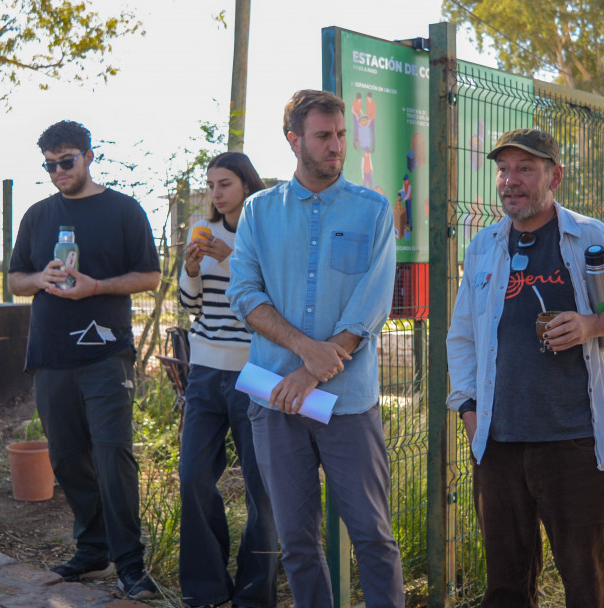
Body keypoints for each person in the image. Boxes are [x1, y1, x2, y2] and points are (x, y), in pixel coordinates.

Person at [446, 128, 604, 607]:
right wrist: (468, 411)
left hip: (576, 444)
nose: (510, 180)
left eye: (525, 168)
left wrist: (593, 324)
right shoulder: (484, 246)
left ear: (555, 176)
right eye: (503, 169)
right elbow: (462, 336)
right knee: (505, 588)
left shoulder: (589, 237)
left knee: (588, 584)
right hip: (498, 444)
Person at [227, 89, 405, 608]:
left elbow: (371, 305)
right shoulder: (259, 212)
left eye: (341, 135)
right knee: (298, 543)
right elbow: (244, 294)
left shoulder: (373, 210)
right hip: (274, 400)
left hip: (347, 403)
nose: (336, 147)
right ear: (294, 141)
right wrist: (306, 350)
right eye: (324, 136)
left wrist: (313, 370)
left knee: (373, 536)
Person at [8, 120, 161, 601]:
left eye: (66, 161)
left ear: (89, 156)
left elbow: (151, 276)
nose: (58, 172)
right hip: (51, 355)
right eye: (49, 165)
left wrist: (97, 286)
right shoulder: (36, 215)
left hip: (104, 353)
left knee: (112, 454)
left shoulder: (123, 210)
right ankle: (92, 549)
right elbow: (14, 280)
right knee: (67, 456)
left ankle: (130, 564)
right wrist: (40, 277)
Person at [177, 152, 279, 608]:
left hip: (255, 369)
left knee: (263, 486)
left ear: (246, 187)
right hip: (205, 368)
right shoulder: (204, 233)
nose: (215, 195)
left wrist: (231, 256)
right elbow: (191, 304)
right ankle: (206, 588)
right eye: (211, 185)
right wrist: (193, 269)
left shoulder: (264, 236)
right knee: (193, 476)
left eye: (225, 185)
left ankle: (255, 594)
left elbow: (274, 293)